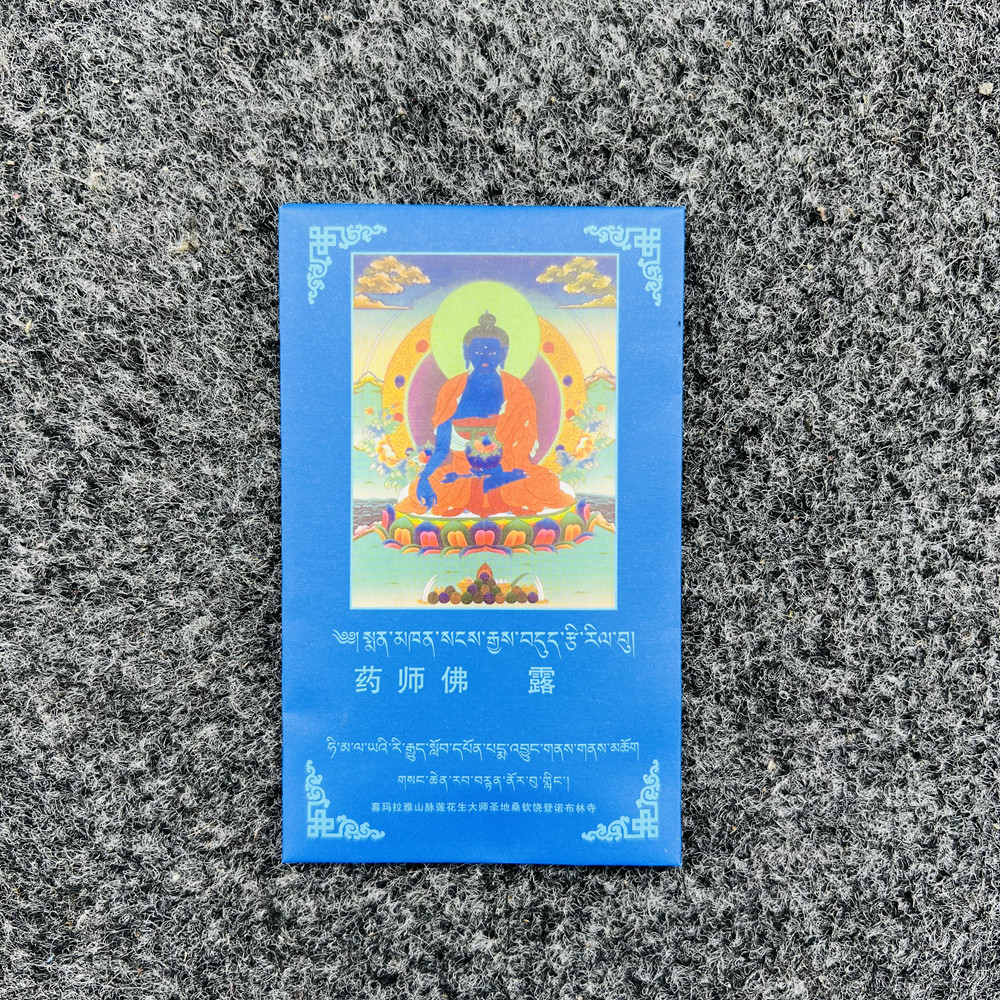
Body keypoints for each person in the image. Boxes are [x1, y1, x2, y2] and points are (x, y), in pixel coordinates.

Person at [396, 310, 571, 518]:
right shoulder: (451, 391)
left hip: (506, 473)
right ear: (466, 351)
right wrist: (425, 477)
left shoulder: (517, 390)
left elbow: (525, 442)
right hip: (462, 474)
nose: (485, 358)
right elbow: (442, 448)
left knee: (546, 484)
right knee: (421, 488)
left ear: (504, 353)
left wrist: (501, 469)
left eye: (493, 353)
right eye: (478, 352)